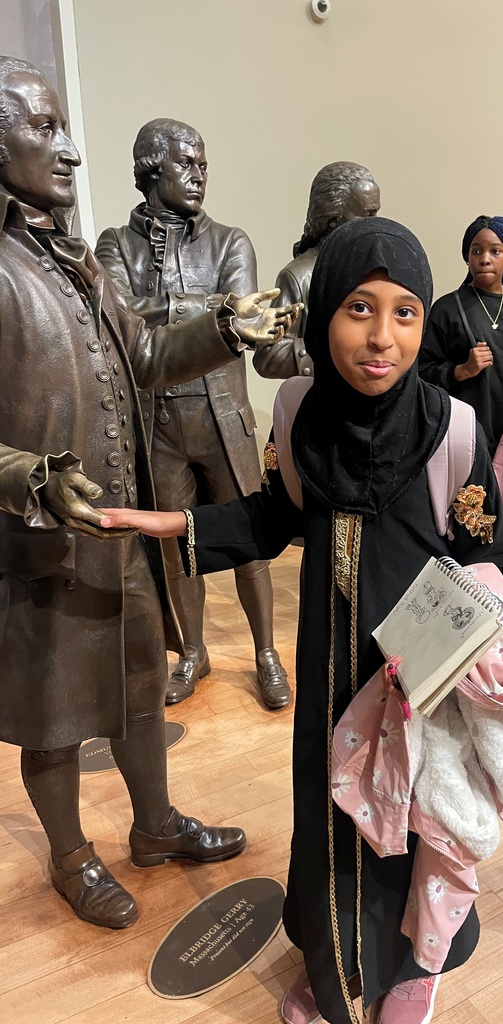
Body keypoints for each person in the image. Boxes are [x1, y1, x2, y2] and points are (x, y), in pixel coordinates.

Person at [100, 217, 503, 1024]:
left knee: (411, 817)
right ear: (324, 309)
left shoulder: (452, 427)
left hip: (414, 684)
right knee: (328, 814)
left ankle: (412, 964)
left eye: (405, 313)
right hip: (330, 672)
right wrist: (173, 526)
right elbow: (274, 519)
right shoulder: (298, 411)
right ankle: (334, 958)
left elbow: (489, 562)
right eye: (359, 308)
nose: (382, 336)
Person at [0, 56, 300, 929]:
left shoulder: (68, 258)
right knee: (55, 709)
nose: (69, 152)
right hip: (42, 538)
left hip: (120, 524)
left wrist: (222, 329)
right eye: (44, 128)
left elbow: (142, 355)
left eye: (64, 127)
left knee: (137, 680)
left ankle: (156, 826)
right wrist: (28, 481)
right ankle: (69, 854)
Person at [95, 118, 290, 710]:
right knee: (176, 546)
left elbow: (244, 315)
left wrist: (165, 309)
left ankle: (265, 652)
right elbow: (118, 318)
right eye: (188, 164)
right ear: (152, 170)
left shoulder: (231, 242)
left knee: (250, 541)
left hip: (222, 415)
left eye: (204, 164)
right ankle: (194, 652)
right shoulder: (113, 244)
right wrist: (207, 307)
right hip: (158, 423)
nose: (201, 175)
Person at [418, 215, 503, 596]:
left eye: (495, 251)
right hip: (464, 438)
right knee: (460, 527)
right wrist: (462, 370)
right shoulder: (447, 309)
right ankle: (460, 610)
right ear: (467, 256)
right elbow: (422, 373)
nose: (484, 258)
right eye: (476, 251)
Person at [253, 160, 380, 379]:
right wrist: (337, 352)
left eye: (376, 214)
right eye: (367, 215)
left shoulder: (374, 268)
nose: (375, 224)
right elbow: (268, 356)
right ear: (332, 219)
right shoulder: (299, 276)